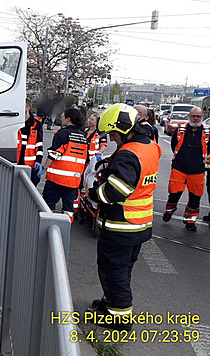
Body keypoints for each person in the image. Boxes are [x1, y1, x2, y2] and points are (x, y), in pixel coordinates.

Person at [88, 103, 161, 330]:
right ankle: (111, 304)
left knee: (113, 270)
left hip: (121, 225)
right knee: (122, 269)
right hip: (138, 223)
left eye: (112, 134)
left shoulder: (128, 153)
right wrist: (110, 163)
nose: (111, 139)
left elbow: (116, 191)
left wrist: (93, 193)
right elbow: (137, 172)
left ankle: (120, 318)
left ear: (122, 129)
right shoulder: (148, 145)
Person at [162, 106, 210, 231]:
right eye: (193, 116)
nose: (195, 118)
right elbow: (174, 146)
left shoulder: (207, 132)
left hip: (198, 170)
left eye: (198, 116)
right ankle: (170, 210)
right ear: (189, 116)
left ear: (202, 117)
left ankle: (190, 220)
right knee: (174, 193)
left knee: (195, 197)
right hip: (179, 168)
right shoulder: (180, 130)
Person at [38, 107, 89, 221]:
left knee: (49, 203)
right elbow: (86, 158)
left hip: (56, 179)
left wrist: (45, 167)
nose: (61, 119)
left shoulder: (62, 134)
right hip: (73, 181)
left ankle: (48, 226)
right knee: (68, 207)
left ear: (68, 119)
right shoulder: (83, 136)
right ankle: (66, 228)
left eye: (62, 116)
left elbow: (54, 154)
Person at [17, 98, 44, 185]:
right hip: (16, 161)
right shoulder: (15, 122)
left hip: (30, 164)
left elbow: (39, 144)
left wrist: (38, 160)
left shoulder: (36, 124)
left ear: (27, 107)